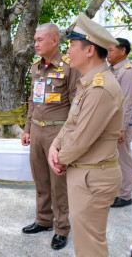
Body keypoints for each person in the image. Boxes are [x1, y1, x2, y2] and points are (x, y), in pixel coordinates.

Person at [48, 12, 124, 257]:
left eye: (71, 45)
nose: (67, 51)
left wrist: (60, 157)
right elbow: (71, 123)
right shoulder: (88, 83)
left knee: (90, 247)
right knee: (85, 243)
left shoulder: (101, 87)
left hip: (93, 177)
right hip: (85, 173)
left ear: (89, 50)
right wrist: (55, 146)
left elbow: (81, 138)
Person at [21, 23, 80, 250]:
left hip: (58, 132)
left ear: (55, 40)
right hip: (37, 130)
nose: (35, 44)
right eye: (35, 40)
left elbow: (76, 104)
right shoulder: (36, 67)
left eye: (40, 40)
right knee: (41, 180)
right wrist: (27, 129)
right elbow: (32, 100)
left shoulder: (69, 66)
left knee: (59, 184)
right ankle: (43, 220)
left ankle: (61, 228)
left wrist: (68, 136)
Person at [107, 38, 132, 208]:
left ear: (123, 51)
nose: (107, 54)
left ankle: (125, 195)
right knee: (113, 160)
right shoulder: (112, 71)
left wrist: (121, 128)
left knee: (123, 160)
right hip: (110, 124)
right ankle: (116, 192)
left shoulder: (128, 72)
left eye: (111, 50)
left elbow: (127, 103)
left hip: (121, 126)